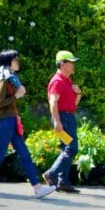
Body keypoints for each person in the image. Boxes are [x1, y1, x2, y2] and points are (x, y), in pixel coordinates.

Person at [0, 50, 57, 199]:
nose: (18, 62)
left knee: (24, 153)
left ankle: (37, 188)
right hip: (5, 121)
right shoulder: (4, 78)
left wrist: (15, 111)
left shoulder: (7, 75)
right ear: (9, 61)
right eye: (15, 59)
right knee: (0, 153)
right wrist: (17, 95)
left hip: (10, 120)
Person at [44, 50, 83, 194]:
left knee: (65, 149)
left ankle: (63, 182)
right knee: (72, 149)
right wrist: (57, 121)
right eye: (71, 62)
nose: (73, 65)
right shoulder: (57, 81)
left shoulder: (67, 81)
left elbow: (72, 104)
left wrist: (78, 94)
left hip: (68, 117)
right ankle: (51, 174)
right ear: (62, 64)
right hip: (63, 118)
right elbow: (53, 102)